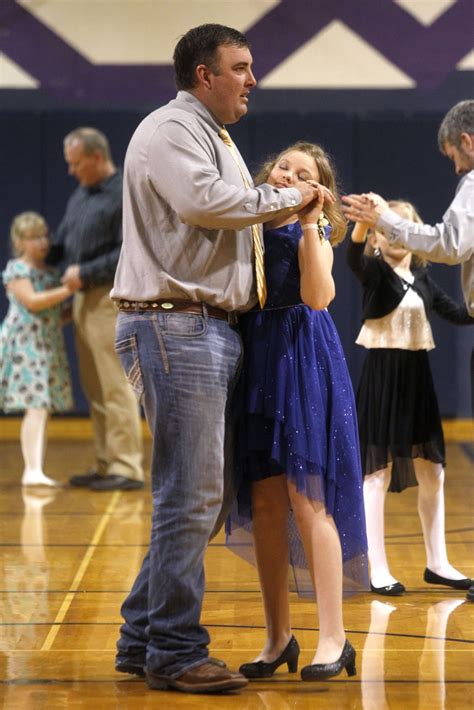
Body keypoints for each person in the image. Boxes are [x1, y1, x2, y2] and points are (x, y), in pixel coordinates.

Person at [109, 24, 320, 695]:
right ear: (205, 74)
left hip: (197, 328)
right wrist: (291, 198)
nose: (252, 79)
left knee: (194, 492)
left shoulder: (210, 134)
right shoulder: (175, 129)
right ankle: (173, 650)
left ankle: (142, 635)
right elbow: (206, 202)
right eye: (242, 67)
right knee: (191, 493)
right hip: (177, 326)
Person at [228, 141, 368, 683]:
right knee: (264, 502)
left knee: (307, 497)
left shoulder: (320, 233)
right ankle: (277, 637)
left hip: (301, 356)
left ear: (319, 188)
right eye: (284, 165)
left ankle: (334, 637)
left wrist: (310, 224)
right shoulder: (248, 219)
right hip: (257, 356)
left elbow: (317, 296)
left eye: (304, 172)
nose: (289, 173)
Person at [342, 100, 474, 602]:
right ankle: (377, 563)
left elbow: (459, 312)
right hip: (382, 375)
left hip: (416, 376)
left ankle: (437, 561)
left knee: (432, 469)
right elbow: (354, 257)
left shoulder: (422, 276)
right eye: (385, 228)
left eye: (402, 225)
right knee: (374, 471)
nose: (393, 233)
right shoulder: (374, 272)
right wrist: (362, 222)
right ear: (378, 238)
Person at [49, 127, 144, 491]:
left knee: (114, 385)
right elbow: (65, 242)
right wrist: (44, 253)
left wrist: (84, 272)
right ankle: (106, 462)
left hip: (108, 298)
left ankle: (127, 466)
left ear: (96, 158)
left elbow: (129, 249)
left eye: (76, 164)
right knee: (95, 387)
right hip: (82, 299)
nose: (71, 171)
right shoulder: (82, 195)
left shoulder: (123, 192)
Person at [0, 212, 76, 486]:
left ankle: (36, 468)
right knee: (36, 405)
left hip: (47, 344)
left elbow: (54, 312)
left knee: (43, 407)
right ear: (19, 242)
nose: (42, 242)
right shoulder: (17, 269)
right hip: (25, 345)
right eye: (33, 238)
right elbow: (32, 301)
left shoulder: (51, 273)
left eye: (44, 235)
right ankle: (31, 470)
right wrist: (69, 290)